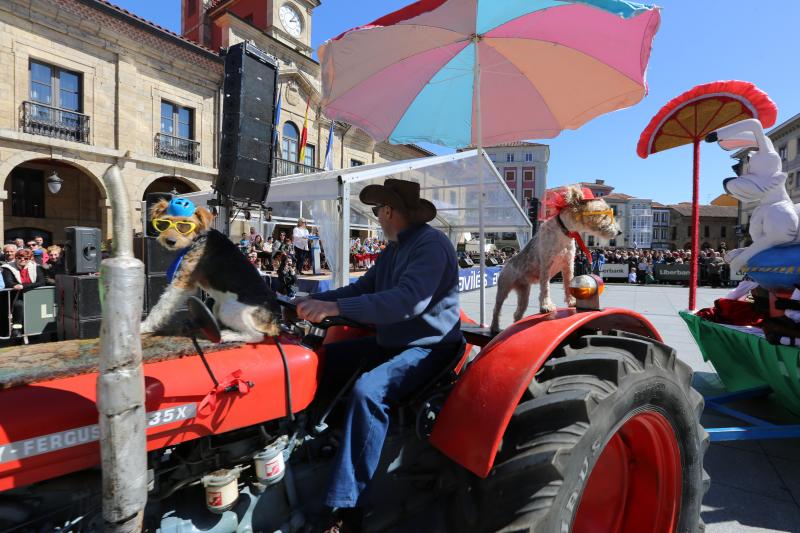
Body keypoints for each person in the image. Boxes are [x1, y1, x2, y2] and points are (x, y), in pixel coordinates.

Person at [295, 179, 463, 530]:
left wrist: (335, 306)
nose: (376, 219)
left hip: (431, 346)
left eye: (376, 212)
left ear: (388, 211)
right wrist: (311, 302)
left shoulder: (431, 245)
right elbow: (363, 287)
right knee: (325, 360)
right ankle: (313, 439)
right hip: (396, 340)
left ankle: (347, 506)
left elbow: (407, 301)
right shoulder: (395, 248)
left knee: (369, 392)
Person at [1, 249, 45, 339]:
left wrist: (23, 286)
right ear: (16, 258)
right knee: (19, 306)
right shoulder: (8, 267)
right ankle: (16, 330)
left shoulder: (35, 267)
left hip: (32, 295)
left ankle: (33, 332)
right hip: (15, 296)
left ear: (30, 259)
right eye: (19, 257)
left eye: (26, 258)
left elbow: (41, 282)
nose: (23, 260)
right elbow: (9, 282)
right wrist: (15, 285)